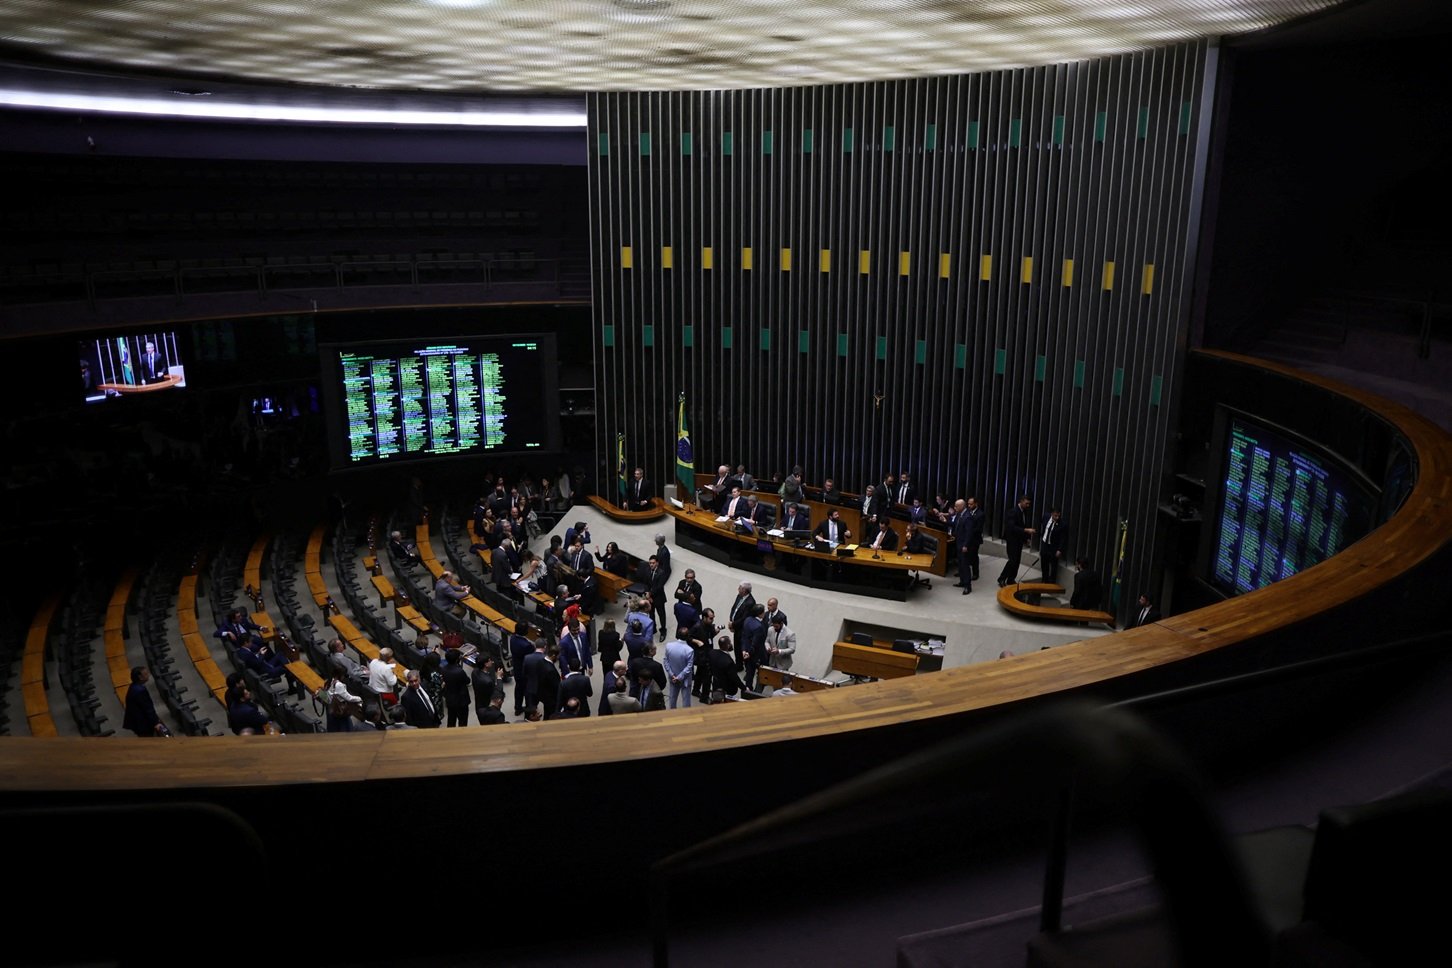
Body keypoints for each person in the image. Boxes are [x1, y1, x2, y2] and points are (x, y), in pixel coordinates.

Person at [997, 495, 1035, 587]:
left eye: (1029, 504)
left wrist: (1026, 539)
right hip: (1012, 540)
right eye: (1026, 503)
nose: (1028, 505)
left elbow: (1023, 524)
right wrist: (1026, 530)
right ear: (1021, 501)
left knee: (1017, 561)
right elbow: (1012, 527)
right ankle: (1002, 578)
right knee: (1012, 560)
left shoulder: (1024, 512)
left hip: (1019, 540)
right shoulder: (1013, 512)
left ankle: (1011, 579)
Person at [122, 666, 168, 737]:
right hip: (141, 723)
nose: (149, 675)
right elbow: (148, 708)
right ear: (140, 677)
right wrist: (155, 722)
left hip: (136, 721)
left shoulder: (133, 686)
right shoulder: (140, 691)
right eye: (146, 674)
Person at [522, 639, 561, 720]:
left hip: (531, 687)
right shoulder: (547, 665)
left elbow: (524, 674)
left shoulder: (527, 658)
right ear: (545, 647)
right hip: (547, 693)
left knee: (531, 709)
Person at [706, 635, 745, 702]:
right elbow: (734, 677)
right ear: (728, 645)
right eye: (730, 643)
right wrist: (744, 688)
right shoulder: (728, 662)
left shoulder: (712, 653)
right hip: (727, 688)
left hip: (716, 684)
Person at [639, 555, 669, 638]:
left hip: (659, 597)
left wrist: (650, 594)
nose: (651, 565)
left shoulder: (661, 573)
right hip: (649, 597)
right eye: (650, 563)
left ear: (657, 563)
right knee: (651, 614)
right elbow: (645, 583)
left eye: (653, 563)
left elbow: (659, 587)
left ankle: (663, 630)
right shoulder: (647, 570)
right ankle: (653, 628)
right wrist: (647, 594)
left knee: (661, 615)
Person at [662, 633, 695, 709]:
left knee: (672, 699)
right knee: (686, 701)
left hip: (673, 678)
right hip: (685, 679)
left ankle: (673, 714)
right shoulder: (689, 650)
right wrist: (679, 677)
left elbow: (665, 661)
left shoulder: (669, 646)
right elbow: (689, 667)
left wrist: (671, 674)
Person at [727, 582, 756, 664]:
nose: (738, 589)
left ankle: (740, 665)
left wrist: (733, 624)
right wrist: (731, 621)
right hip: (735, 626)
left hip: (742, 630)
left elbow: (744, 618)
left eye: (739, 588)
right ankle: (738, 664)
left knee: (740, 648)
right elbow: (734, 608)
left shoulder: (750, 602)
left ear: (744, 590)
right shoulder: (739, 596)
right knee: (736, 647)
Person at [441, 648, 471, 727]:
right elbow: (467, 681)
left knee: (451, 720)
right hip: (461, 701)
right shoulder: (459, 671)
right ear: (457, 659)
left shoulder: (443, 669)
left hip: (450, 698)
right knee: (463, 721)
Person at [740, 604, 767, 691]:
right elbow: (755, 643)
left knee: (749, 673)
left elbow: (744, 637)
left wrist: (744, 650)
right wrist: (749, 653)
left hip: (746, 651)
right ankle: (757, 692)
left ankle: (748, 690)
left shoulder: (747, 620)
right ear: (760, 614)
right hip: (757, 654)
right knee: (761, 673)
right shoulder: (759, 626)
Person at [509, 626, 536, 717]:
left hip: (517, 669)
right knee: (528, 691)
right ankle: (529, 710)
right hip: (525, 671)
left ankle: (518, 708)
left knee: (519, 689)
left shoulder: (512, 638)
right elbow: (532, 654)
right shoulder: (526, 645)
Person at [471, 656, 502, 724]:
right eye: (490, 660)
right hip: (488, 707)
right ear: (486, 664)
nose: (492, 662)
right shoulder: (488, 682)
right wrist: (499, 678)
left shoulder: (474, 672)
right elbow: (498, 692)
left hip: (479, 705)